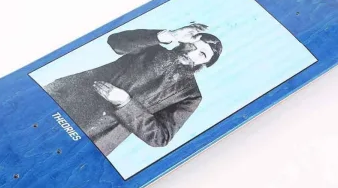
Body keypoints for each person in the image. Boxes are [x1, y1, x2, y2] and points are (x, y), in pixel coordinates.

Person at [44, 22, 223, 157]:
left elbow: (160, 137)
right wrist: (170, 35)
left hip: (93, 135)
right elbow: (115, 42)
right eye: (192, 45)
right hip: (64, 99)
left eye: (202, 54)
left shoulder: (190, 95)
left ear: (206, 64)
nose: (191, 53)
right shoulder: (151, 47)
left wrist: (125, 104)